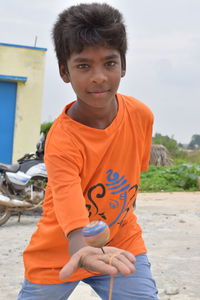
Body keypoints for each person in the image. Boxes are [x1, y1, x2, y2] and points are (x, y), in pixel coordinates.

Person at [18, 3, 158, 300]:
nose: (98, 77)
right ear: (64, 72)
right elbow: (69, 205)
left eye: (109, 63)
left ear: (123, 64)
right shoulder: (62, 139)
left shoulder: (141, 115)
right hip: (61, 253)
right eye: (83, 66)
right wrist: (82, 249)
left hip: (122, 244)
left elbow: (129, 180)